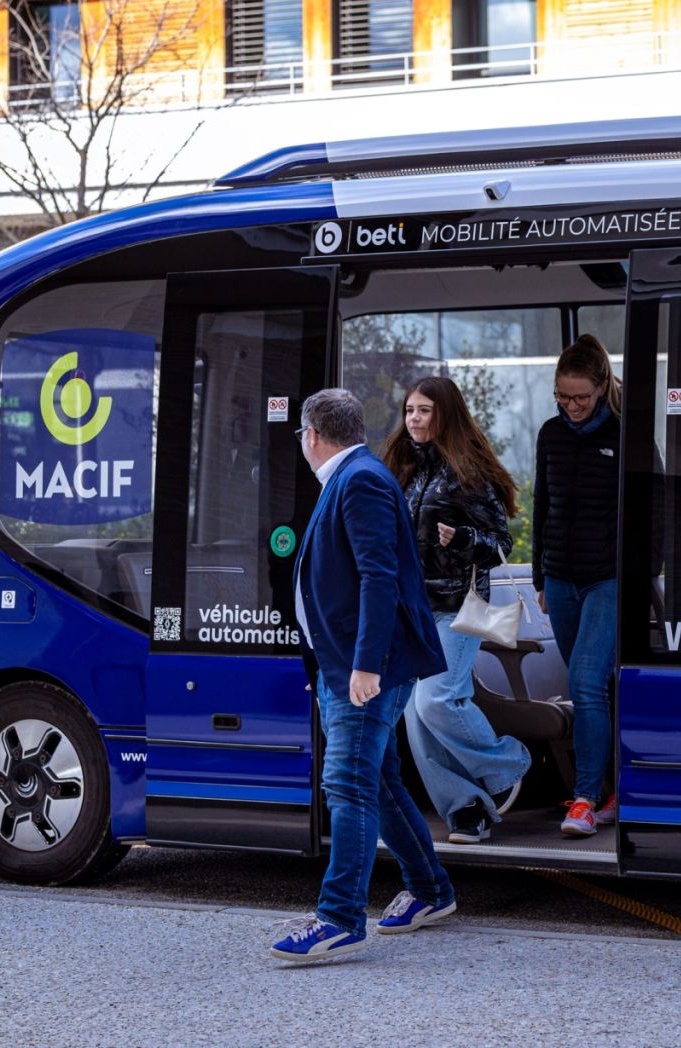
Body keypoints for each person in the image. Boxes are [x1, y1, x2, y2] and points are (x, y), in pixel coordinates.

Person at [269, 388, 457, 963]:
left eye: (301, 434)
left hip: (366, 668)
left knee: (347, 782)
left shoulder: (362, 481)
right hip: (345, 663)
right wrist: (329, 662)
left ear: (312, 435)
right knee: (378, 782)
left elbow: (380, 578)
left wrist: (365, 666)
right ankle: (430, 890)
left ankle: (339, 916)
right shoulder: (352, 479)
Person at [381, 376, 531, 844]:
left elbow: (501, 544)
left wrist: (464, 539)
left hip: (456, 607)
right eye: (409, 411)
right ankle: (467, 809)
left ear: (444, 414)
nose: (414, 419)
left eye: (424, 410)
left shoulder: (468, 473)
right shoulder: (405, 468)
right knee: (416, 716)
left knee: (436, 700)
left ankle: (509, 763)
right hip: (414, 611)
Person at [534, 334, 624, 838]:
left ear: (601, 387)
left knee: (587, 682)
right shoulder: (551, 434)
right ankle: (611, 790)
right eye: (562, 397)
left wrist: (639, 576)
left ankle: (585, 799)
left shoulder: (625, 435)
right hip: (561, 580)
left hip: (608, 580)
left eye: (580, 398)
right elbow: (543, 503)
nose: (571, 407)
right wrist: (540, 578)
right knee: (596, 688)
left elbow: (649, 511)